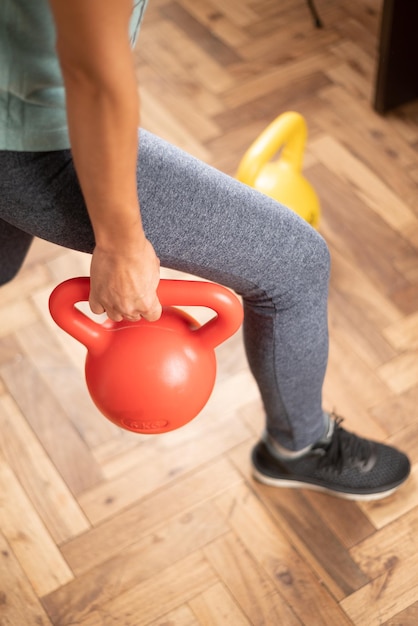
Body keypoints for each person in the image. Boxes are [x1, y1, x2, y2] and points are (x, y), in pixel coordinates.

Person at [0, 0, 410, 500]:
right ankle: (298, 447)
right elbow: (92, 77)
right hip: (34, 142)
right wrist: (122, 243)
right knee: (296, 263)